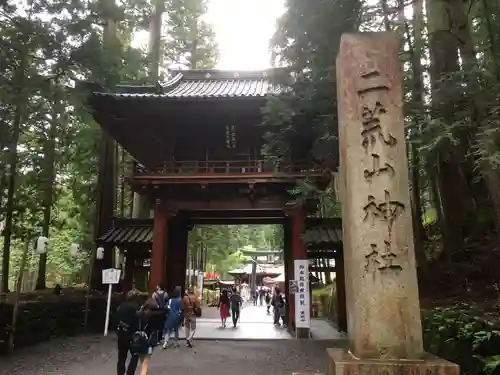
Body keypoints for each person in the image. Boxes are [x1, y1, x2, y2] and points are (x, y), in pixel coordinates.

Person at [132, 297, 165, 375]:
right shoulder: (155, 316)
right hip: (149, 340)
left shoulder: (138, 314)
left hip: (138, 339)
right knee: (145, 363)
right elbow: (165, 312)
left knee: (142, 361)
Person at [116, 290, 140, 375]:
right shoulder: (135, 308)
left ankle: (120, 373)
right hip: (132, 335)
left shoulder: (121, 306)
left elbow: (117, 320)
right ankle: (130, 372)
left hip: (121, 334)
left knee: (121, 357)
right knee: (135, 355)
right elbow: (138, 322)